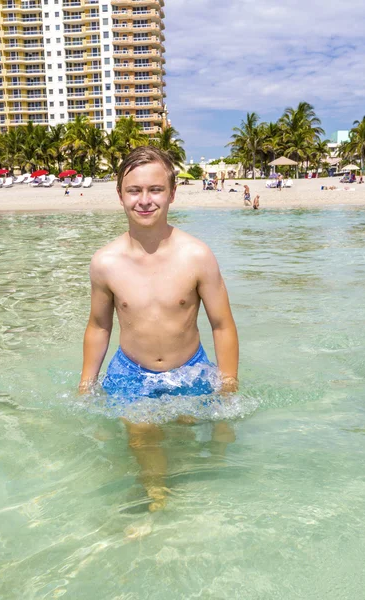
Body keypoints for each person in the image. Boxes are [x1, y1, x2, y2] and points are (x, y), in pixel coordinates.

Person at [79, 147, 239, 511]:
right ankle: (156, 495)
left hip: (191, 369)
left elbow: (222, 324)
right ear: (120, 194)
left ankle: (179, 491)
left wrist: (229, 383)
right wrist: (86, 383)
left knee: (187, 436)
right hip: (130, 374)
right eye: (134, 190)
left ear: (172, 193)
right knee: (143, 439)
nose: (145, 200)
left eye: (155, 190)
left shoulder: (196, 255)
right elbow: (99, 325)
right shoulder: (105, 262)